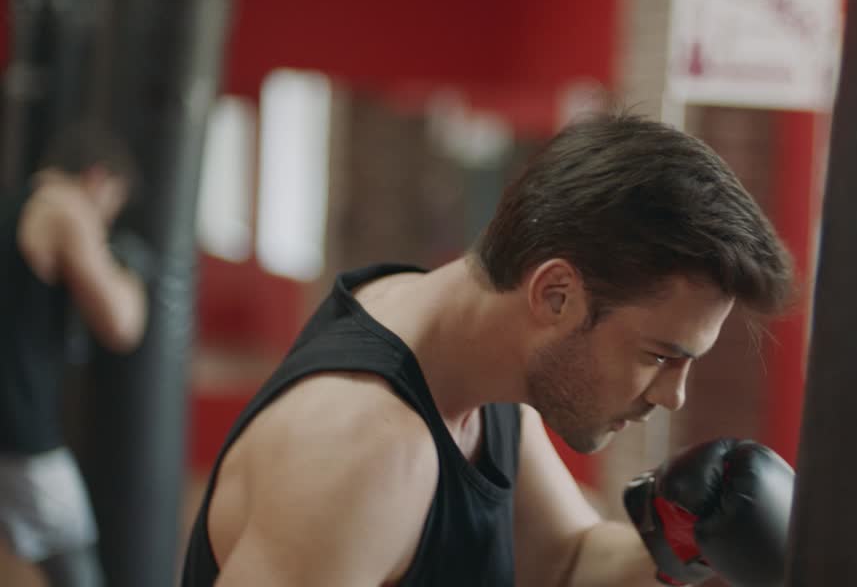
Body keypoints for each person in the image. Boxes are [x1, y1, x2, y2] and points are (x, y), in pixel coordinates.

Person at [183, 114, 798, 586]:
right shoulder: (360, 457)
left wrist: (685, 544)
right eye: (660, 355)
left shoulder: (470, 359)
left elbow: (565, 561)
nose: (673, 394)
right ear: (556, 295)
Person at [0, 123, 149, 587]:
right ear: (98, 178)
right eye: (111, 206)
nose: (105, 220)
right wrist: (132, 273)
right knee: (77, 572)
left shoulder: (14, 203)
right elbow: (121, 327)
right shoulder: (66, 207)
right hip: (19, 427)